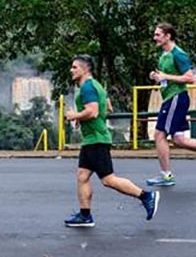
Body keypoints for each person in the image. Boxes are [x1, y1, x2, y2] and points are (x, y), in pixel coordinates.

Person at [64, 54, 159, 227]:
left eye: (74, 67)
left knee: (108, 180)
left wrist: (74, 115)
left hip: (96, 140)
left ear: (85, 69)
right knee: (82, 176)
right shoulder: (96, 85)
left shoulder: (87, 87)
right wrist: (83, 117)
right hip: (92, 139)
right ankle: (85, 215)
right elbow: (107, 107)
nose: (71, 70)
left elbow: (92, 111)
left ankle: (146, 196)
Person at [146, 23, 195, 186]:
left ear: (168, 36)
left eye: (158, 34)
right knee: (179, 140)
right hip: (170, 98)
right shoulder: (164, 54)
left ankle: (166, 175)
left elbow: (190, 77)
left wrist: (166, 76)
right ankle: (165, 174)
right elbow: (165, 77)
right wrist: (157, 76)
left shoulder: (178, 54)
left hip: (176, 97)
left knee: (159, 135)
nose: (155, 38)